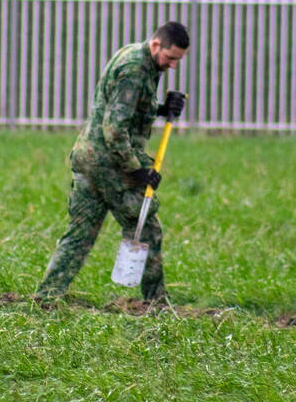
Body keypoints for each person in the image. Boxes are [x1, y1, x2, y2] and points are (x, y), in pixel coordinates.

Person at [36, 21, 190, 302]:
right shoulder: (135, 69)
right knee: (146, 228)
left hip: (89, 157)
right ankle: (156, 303)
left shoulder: (135, 55)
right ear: (157, 45)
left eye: (178, 60)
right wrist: (138, 169)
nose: (173, 66)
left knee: (80, 233)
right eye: (170, 58)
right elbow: (115, 129)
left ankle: (47, 297)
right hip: (111, 164)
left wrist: (161, 109)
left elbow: (128, 108)